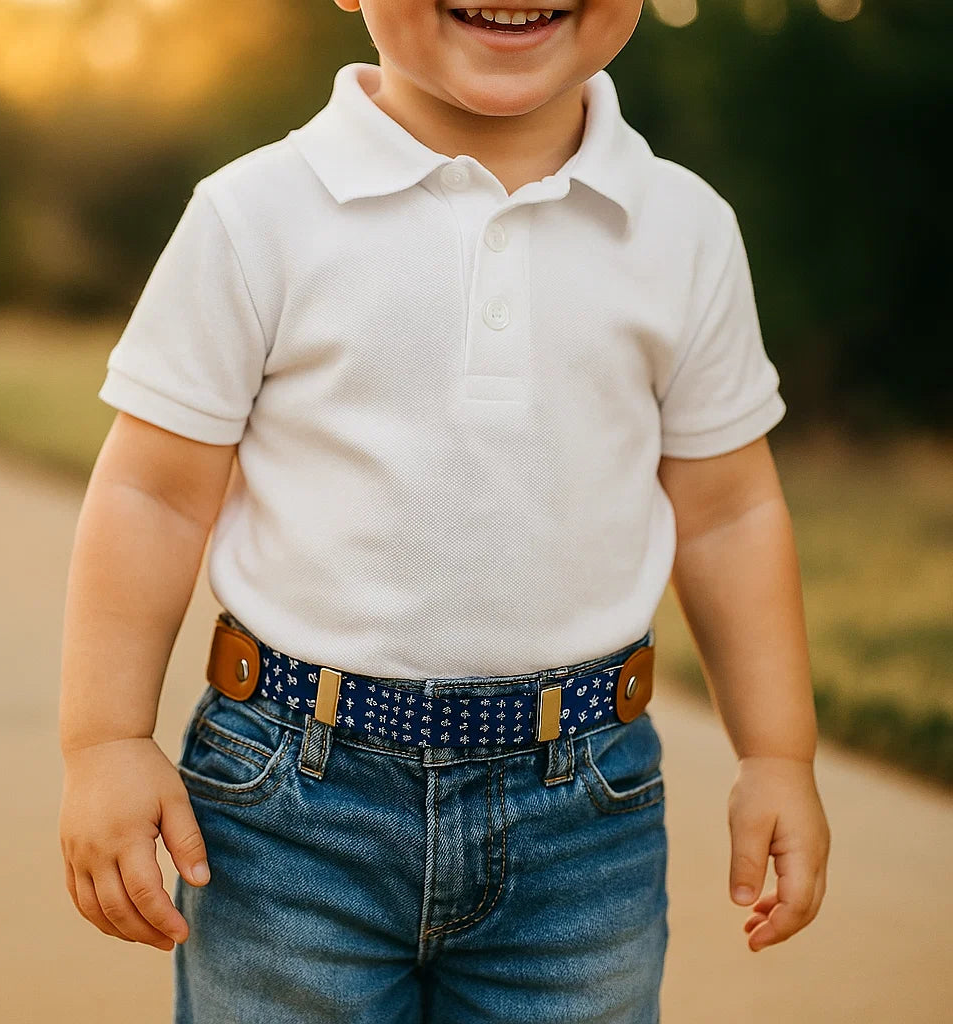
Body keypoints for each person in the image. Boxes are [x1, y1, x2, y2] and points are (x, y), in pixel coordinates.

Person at [58, 2, 831, 1021]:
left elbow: (729, 511)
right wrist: (105, 741)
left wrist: (778, 752)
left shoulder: (680, 228)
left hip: (583, 815)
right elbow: (151, 492)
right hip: (291, 807)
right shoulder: (257, 214)